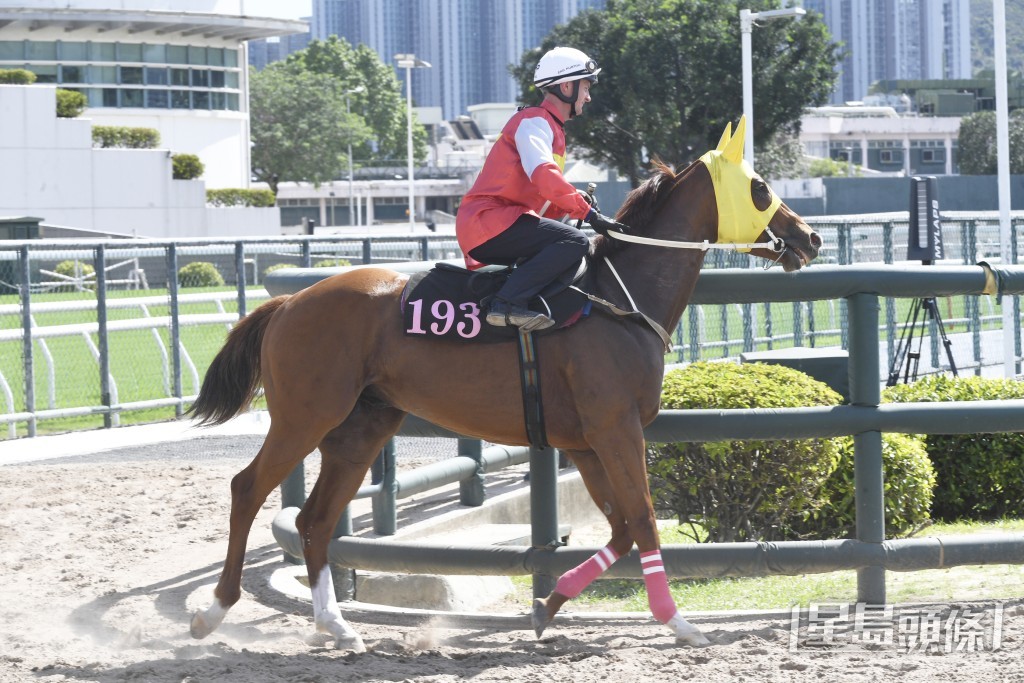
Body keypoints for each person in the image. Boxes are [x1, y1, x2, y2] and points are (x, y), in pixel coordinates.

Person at [455, 46, 630, 332]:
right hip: (488, 222)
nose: (588, 96)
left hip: (498, 222)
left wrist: (575, 203)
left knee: (569, 241)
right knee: (575, 241)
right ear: (566, 86)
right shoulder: (534, 121)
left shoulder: (550, 127)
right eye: (585, 87)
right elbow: (544, 177)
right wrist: (588, 214)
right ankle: (506, 303)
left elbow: (543, 195)